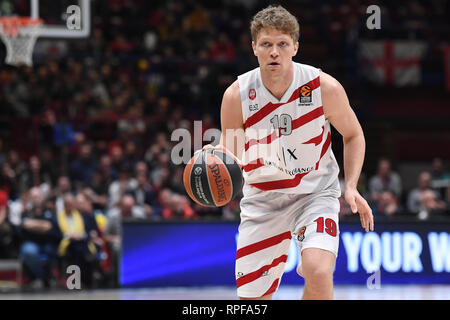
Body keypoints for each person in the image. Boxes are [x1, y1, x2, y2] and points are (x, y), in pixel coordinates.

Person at [203, 5, 373, 300]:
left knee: (319, 271)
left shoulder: (323, 87)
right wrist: (216, 155)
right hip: (263, 200)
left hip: (314, 193)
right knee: (253, 300)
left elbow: (354, 134)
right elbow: (233, 150)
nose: (274, 52)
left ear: (295, 47)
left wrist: (351, 185)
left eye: (282, 44)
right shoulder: (236, 95)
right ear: (254, 47)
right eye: (266, 44)